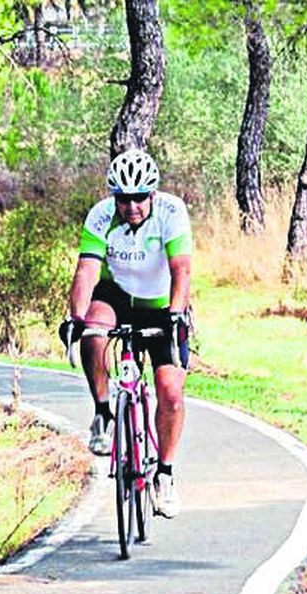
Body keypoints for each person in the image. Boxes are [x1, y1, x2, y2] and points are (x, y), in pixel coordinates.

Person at [60, 148, 193, 518]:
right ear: (113, 196)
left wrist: (177, 314)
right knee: (92, 331)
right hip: (116, 295)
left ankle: (164, 475)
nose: (131, 206)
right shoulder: (101, 216)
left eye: (139, 197)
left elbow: (181, 270)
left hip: (161, 303)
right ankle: (103, 412)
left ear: (152, 194)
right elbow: (87, 272)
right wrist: (74, 317)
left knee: (170, 394)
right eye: (123, 198)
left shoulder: (171, 212)